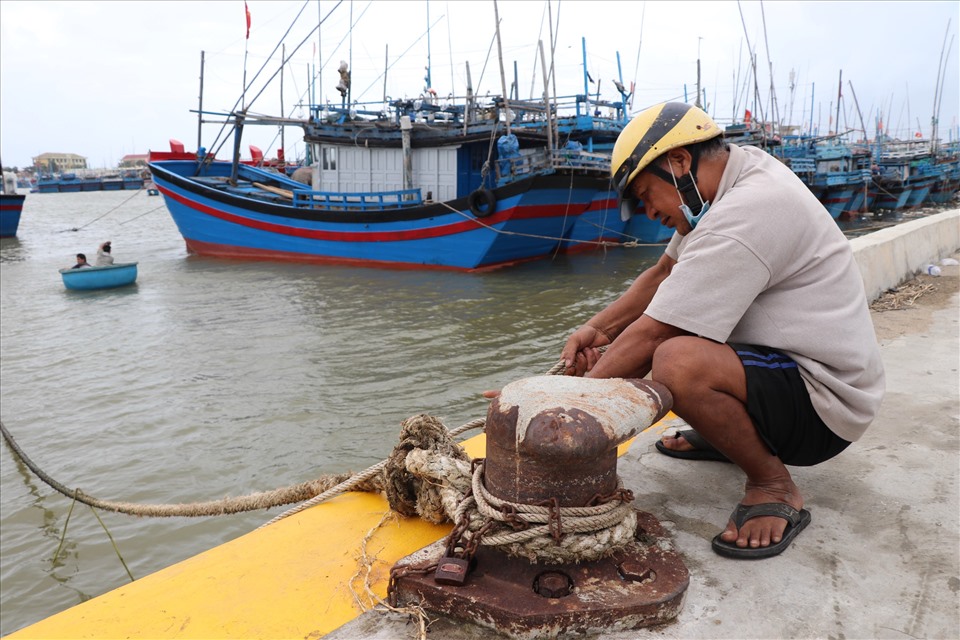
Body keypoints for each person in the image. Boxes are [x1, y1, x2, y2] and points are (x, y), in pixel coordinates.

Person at [559, 102, 885, 559]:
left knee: (675, 360)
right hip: (790, 367)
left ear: (678, 162)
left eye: (644, 193)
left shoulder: (747, 212)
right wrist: (597, 329)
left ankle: (773, 486)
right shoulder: (732, 179)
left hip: (824, 406)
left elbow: (655, 333)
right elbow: (662, 274)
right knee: (671, 345)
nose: (646, 211)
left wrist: (569, 408)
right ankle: (724, 433)